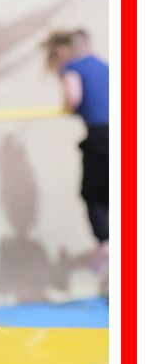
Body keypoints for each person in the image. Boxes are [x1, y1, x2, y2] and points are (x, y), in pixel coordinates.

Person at [43, 29, 109, 267]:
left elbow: (73, 97)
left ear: (63, 51)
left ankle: (107, 244)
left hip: (102, 137)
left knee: (92, 193)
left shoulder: (73, 67)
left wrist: (68, 107)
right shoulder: (104, 66)